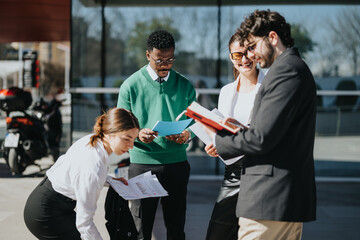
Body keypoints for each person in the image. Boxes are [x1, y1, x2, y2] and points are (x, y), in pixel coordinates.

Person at [198, 10, 317, 240]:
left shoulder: (286, 71)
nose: (250, 55)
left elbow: (261, 137)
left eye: (252, 46)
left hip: (269, 199)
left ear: (272, 37)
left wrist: (219, 139)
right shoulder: (291, 69)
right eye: (243, 51)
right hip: (277, 199)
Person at [116, 30, 196, 240]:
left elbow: (196, 121)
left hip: (177, 164)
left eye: (170, 60)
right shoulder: (130, 86)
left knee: (176, 229)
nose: (165, 65)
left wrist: (187, 135)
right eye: (159, 60)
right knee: (140, 230)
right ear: (147, 55)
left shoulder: (185, 85)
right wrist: (137, 133)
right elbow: (120, 126)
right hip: (142, 165)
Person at [23, 107, 140, 240]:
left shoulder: (93, 140)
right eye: (127, 139)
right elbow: (85, 223)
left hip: (47, 201)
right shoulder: (93, 166)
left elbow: (81, 174)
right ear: (109, 133)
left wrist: (111, 181)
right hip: (46, 214)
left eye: (134, 139)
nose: (131, 146)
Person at [205, 32, 264, 240]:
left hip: (259, 173)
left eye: (248, 52)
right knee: (217, 234)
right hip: (233, 172)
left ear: (256, 52)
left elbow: (269, 133)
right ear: (231, 57)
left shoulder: (269, 87)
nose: (244, 59)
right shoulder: (227, 91)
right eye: (237, 55)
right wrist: (215, 145)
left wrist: (242, 129)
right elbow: (222, 131)